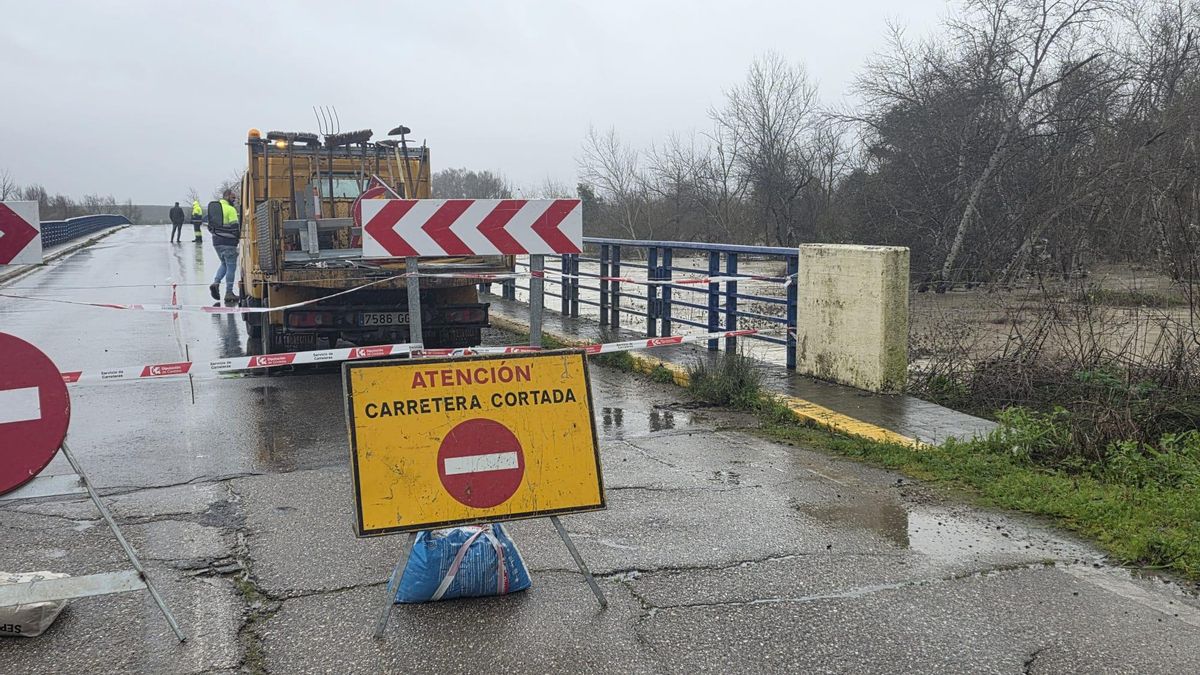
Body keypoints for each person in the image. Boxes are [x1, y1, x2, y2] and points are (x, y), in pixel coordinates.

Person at [208, 190, 241, 305]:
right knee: (231, 267)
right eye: (233, 198)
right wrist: (238, 238)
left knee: (224, 263)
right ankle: (229, 292)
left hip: (216, 242)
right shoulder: (230, 210)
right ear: (227, 196)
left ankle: (216, 283)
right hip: (229, 243)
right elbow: (235, 227)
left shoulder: (215, 209)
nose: (234, 200)